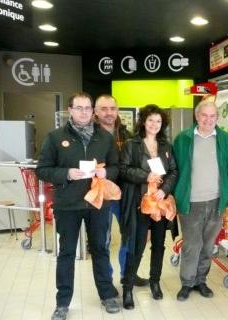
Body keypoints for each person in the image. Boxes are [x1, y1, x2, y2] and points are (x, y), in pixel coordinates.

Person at [36, 92, 121, 320]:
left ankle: (107, 294)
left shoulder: (104, 137)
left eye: (87, 108)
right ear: (70, 110)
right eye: (79, 108)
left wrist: (107, 172)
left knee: (101, 250)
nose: (84, 112)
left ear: (93, 111)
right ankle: (62, 302)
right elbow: (42, 170)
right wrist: (66, 174)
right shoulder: (55, 137)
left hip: (97, 203)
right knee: (66, 253)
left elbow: (116, 166)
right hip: (67, 205)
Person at [173, 99, 228, 301]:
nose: (208, 119)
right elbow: (173, 169)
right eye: (204, 115)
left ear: (217, 118)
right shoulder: (183, 139)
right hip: (190, 202)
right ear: (197, 116)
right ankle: (187, 283)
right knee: (191, 245)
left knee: (207, 244)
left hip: (217, 202)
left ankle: (200, 281)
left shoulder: (225, 140)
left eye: (212, 116)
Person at [119, 104, 179, 309]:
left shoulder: (166, 146)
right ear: (143, 122)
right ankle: (127, 287)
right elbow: (124, 170)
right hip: (140, 202)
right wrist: (146, 176)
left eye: (158, 121)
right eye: (150, 120)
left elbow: (173, 172)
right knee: (136, 244)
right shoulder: (132, 144)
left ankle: (155, 282)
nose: (154, 124)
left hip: (160, 203)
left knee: (159, 244)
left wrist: (165, 190)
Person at [94, 94, 149, 287]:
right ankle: (106, 280)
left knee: (129, 235)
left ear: (117, 110)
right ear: (96, 111)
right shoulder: (90, 135)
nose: (108, 113)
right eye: (103, 109)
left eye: (112, 108)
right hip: (100, 194)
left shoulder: (126, 135)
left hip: (125, 194)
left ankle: (128, 274)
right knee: (103, 239)